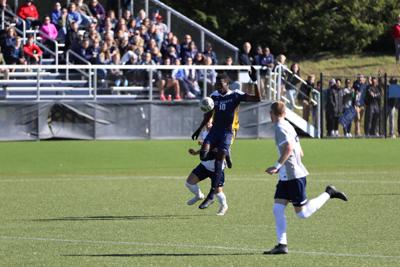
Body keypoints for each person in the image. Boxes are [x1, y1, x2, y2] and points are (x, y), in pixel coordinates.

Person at [264, 101, 348, 255]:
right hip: (286, 176)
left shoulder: (279, 127)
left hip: (294, 176)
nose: (269, 115)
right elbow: (299, 151)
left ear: (273, 114)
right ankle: (282, 245)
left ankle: (329, 192)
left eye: (270, 113)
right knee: (277, 208)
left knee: (302, 214)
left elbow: (289, 148)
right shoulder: (288, 125)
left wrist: (277, 165)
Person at [191, 68, 261, 209]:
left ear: (227, 83)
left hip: (227, 133)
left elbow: (257, 99)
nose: (218, 87)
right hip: (214, 131)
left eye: (220, 84)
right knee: (203, 156)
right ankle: (225, 154)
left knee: (218, 162)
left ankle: (212, 195)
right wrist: (199, 129)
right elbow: (208, 115)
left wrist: (254, 81)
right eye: (216, 84)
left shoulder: (235, 95)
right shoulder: (214, 96)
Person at [185, 118, 228, 216]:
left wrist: (205, 143)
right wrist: (196, 152)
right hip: (205, 166)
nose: (209, 125)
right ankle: (199, 195)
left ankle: (224, 206)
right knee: (189, 183)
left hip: (217, 168)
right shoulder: (204, 133)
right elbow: (205, 149)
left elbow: (220, 149)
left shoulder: (219, 134)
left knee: (218, 192)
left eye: (211, 123)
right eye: (207, 123)